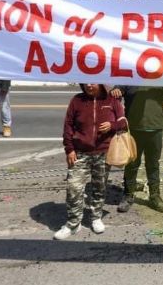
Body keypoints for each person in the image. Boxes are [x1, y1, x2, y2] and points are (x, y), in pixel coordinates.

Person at [54, 83, 127, 240]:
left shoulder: (112, 100)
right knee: (73, 187)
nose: (88, 85)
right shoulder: (77, 100)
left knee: (99, 187)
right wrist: (69, 149)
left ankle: (96, 218)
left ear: (100, 82)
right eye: (85, 82)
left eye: (92, 82)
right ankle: (73, 224)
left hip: (103, 152)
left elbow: (124, 123)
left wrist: (112, 125)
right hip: (80, 153)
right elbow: (68, 126)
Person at [112, 86, 163, 213]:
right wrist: (117, 90)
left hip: (155, 128)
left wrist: (161, 79)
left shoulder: (160, 76)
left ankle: (154, 196)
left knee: (153, 165)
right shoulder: (132, 75)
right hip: (133, 129)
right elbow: (119, 88)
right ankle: (128, 195)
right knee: (131, 164)